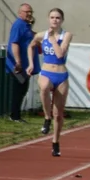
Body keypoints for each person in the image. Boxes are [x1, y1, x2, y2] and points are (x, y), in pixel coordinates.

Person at [26, 8, 73, 157]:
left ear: (62, 20)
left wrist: (53, 40)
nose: (55, 20)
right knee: (44, 87)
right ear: (48, 19)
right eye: (52, 17)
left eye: (58, 18)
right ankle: (47, 117)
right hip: (46, 71)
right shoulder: (41, 35)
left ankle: (55, 142)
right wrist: (31, 64)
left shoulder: (67, 35)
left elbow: (60, 54)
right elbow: (31, 46)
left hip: (61, 75)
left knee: (59, 114)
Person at [5, 3, 35, 123]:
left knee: (23, 88)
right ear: (20, 13)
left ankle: (16, 114)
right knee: (19, 88)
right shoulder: (18, 25)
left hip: (25, 63)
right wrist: (18, 61)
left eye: (30, 12)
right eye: (26, 12)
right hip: (18, 63)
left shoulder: (26, 25)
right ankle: (14, 115)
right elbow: (14, 43)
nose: (29, 14)